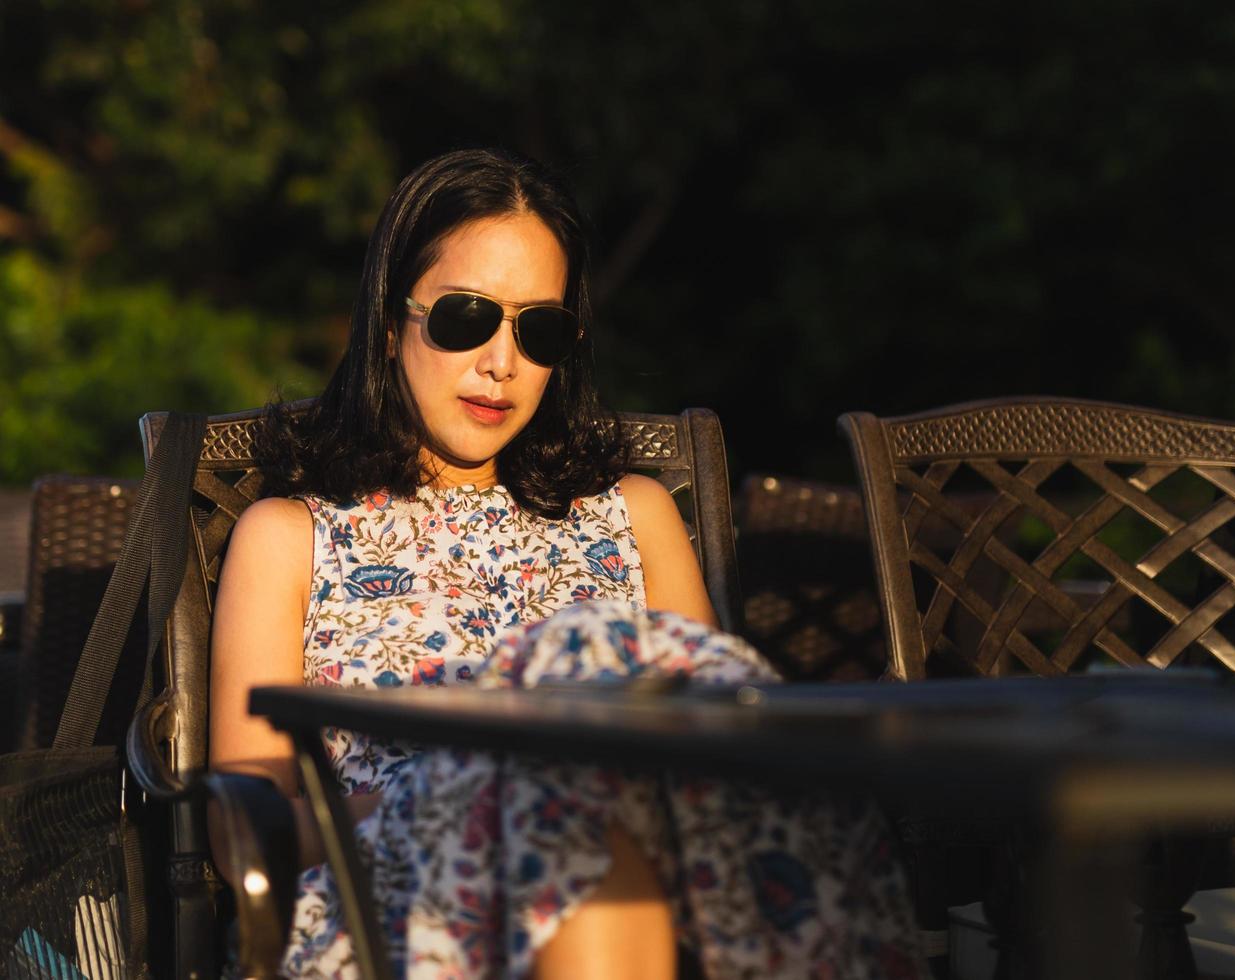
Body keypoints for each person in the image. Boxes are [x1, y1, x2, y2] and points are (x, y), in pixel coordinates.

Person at [209, 147, 921, 979]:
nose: (501, 364)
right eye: (465, 318)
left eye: (538, 329)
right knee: (565, 813)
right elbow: (243, 827)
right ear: (391, 313)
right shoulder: (292, 535)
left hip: (662, 878)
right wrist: (469, 795)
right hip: (400, 911)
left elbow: (723, 751)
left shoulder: (635, 515)